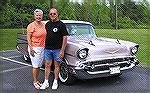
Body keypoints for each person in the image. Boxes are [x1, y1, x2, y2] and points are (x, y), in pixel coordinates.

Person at [40, 8, 68, 90]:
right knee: (47, 65)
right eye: (51, 14)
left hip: (57, 49)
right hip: (47, 49)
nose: (52, 15)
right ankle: (46, 82)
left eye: (54, 14)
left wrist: (62, 50)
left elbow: (65, 37)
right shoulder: (47, 24)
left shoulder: (61, 24)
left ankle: (55, 81)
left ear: (57, 14)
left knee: (56, 65)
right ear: (49, 14)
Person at [27, 9, 46, 89]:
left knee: (39, 65)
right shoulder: (31, 25)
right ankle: (35, 81)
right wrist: (31, 48)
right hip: (34, 47)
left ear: (42, 16)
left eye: (40, 15)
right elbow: (28, 38)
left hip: (43, 47)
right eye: (37, 15)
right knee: (35, 65)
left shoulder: (44, 24)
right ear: (34, 16)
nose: (38, 17)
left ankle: (37, 79)